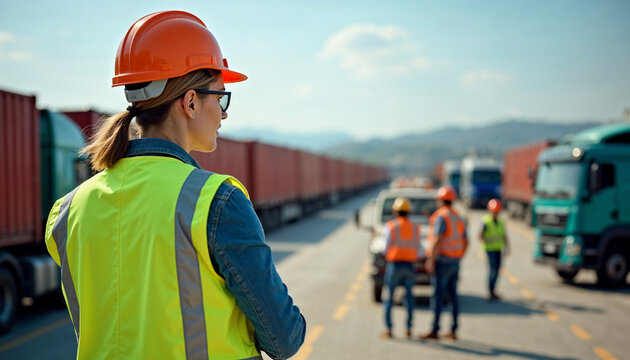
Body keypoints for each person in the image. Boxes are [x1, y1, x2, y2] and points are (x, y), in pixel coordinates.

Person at [44, 11, 305, 360]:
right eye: (222, 98)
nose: (225, 113)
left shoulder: (68, 211)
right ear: (191, 102)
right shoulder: (216, 201)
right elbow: (284, 338)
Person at [421, 185, 468, 341]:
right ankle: (454, 330)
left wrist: (430, 260)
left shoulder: (441, 216)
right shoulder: (458, 217)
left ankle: (435, 329)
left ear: (441, 200)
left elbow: (438, 239)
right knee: (453, 297)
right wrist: (459, 256)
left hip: (442, 262)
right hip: (455, 262)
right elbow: (466, 241)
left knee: (438, 297)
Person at [381, 197, 421, 339]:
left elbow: (385, 248)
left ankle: (389, 329)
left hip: (395, 266)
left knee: (389, 299)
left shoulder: (391, 226)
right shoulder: (415, 227)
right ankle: (409, 328)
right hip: (410, 266)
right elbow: (419, 248)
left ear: (395, 211)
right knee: (409, 298)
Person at [479, 198, 510, 300]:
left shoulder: (501, 222)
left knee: (497, 270)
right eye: (494, 212)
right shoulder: (486, 221)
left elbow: (504, 235)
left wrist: (507, 247)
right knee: (493, 270)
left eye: (497, 212)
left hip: (498, 249)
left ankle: (493, 290)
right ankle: (490, 291)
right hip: (490, 249)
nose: (495, 214)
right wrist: (485, 243)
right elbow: (480, 236)